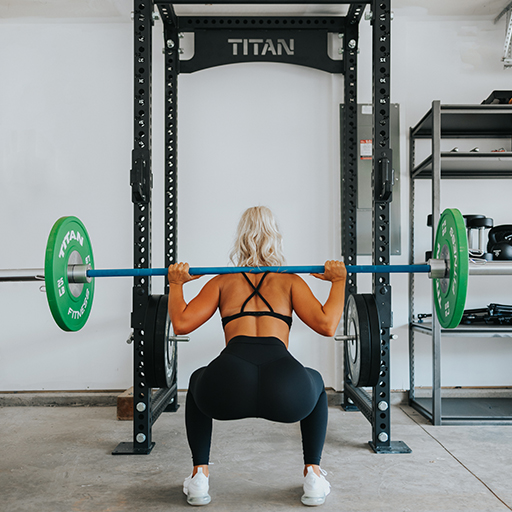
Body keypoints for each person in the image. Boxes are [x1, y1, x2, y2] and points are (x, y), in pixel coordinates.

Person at [167, 206, 346, 507]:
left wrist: (175, 283)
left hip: (227, 387)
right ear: (275, 238)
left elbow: (182, 323)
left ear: (240, 238)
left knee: (198, 380)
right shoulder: (291, 282)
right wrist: (338, 281)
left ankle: (199, 476)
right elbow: (328, 325)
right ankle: (313, 474)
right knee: (315, 382)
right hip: (286, 392)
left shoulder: (222, 281)